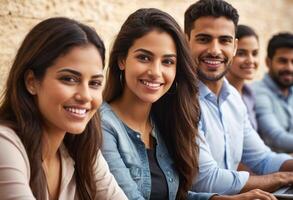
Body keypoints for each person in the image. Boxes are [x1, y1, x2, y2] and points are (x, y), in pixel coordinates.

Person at [101, 7, 277, 200]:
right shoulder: (104, 124)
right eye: (144, 58)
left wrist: (222, 199)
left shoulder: (163, 120)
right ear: (122, 60)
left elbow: (175, 195)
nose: (156, 72)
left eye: (167, 62)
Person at [0, 17, 127, 200]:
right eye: (69, 79)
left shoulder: (82, 148)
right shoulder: (5, 145)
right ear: (31, 82)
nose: (85, 96)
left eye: (95, 83)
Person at [184, 0, 293, 196]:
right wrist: (282, 177)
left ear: (234, 46)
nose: (215, 50)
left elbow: (261, 159)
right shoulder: (180, 99)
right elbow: (207, 180)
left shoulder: (233, 97)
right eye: (204, 39)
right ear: (185, 42)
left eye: (224, 40)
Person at [253, 32, 293, 153]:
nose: (289, 68)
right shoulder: (257, 92)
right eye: (282, 61)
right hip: (270, 169)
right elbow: (275, 138)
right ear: (268, 62)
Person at [226, 25, 259, 130]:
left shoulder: (249, 94)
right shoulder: (220, 96)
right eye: (241, 53)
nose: (250, 60)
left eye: (254, 53)